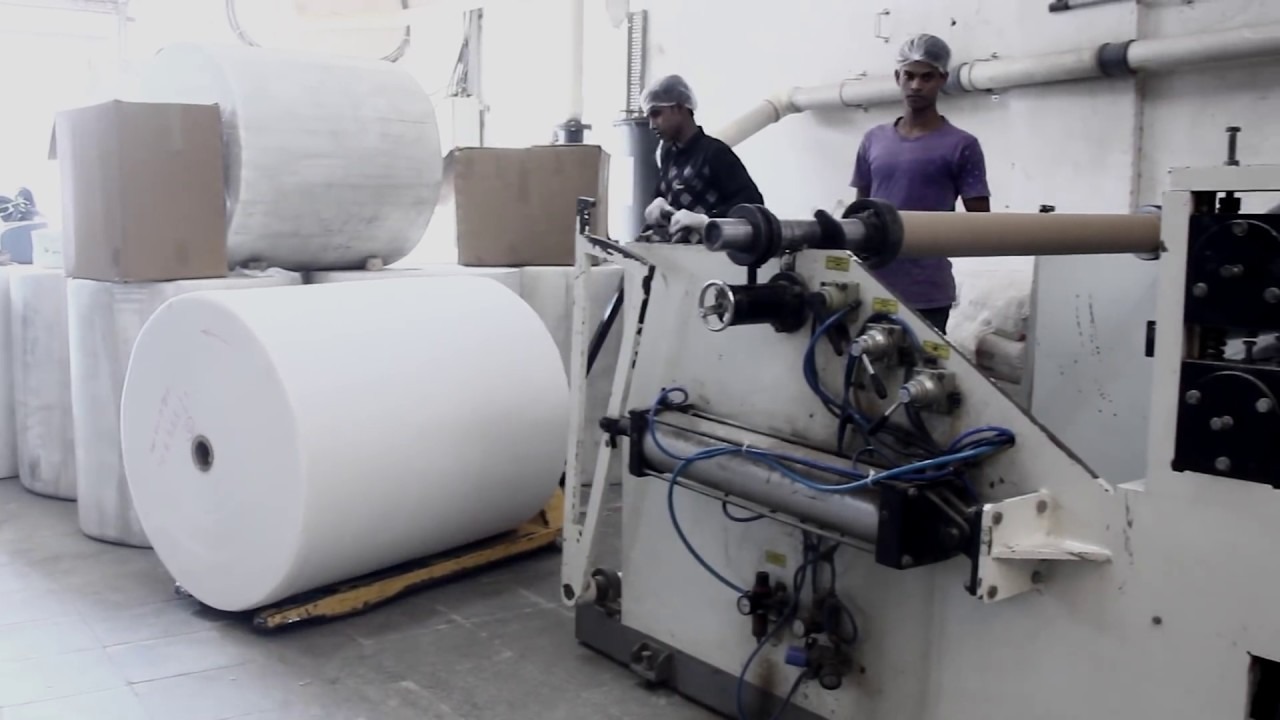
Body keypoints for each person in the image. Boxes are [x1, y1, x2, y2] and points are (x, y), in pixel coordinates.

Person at [851, 34, 991, 333]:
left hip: (927, 292)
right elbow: (859, 212)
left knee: (921, 363)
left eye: (926, 77)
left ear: (942, 79)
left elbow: (980, 223)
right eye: (909, 76)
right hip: (872, 283)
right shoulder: (873, 140)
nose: (916, 85)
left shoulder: (961, 145)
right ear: (897, 77)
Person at [641, 75, 765, 241]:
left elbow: (753, 203)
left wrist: (706, 220)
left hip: (708, 252)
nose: (651, 125)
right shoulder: (668, 155)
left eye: (656, 114)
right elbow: (665, 194)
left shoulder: (714, 153)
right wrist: (657, 203)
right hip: (676, 252)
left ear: (679, 108)